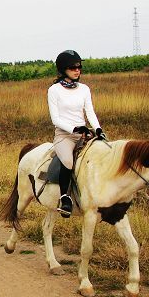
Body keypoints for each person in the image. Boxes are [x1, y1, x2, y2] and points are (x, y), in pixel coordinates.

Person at [47, 50, 106, 218]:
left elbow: (90, 112)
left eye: (79, 67)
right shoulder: (54, 90)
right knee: (67, 161)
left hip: (83, 134)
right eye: (73, 68)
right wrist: (74, 129)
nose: (77, 70)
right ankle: (65, 198)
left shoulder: (84, 89)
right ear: (63, 70)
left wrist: (98, 129)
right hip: (64, 135)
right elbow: (55, 119)